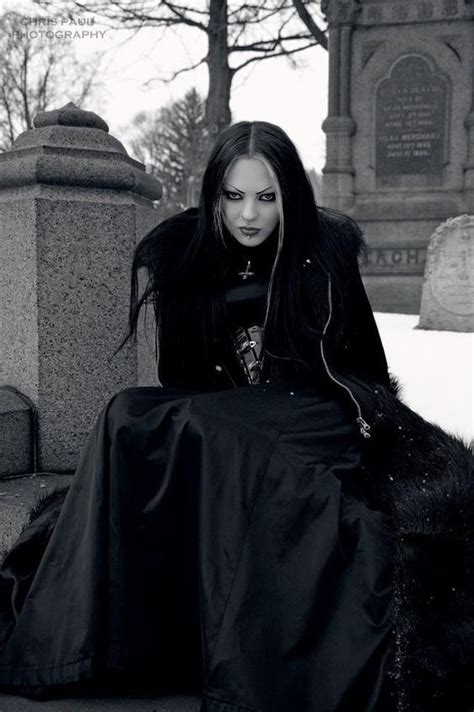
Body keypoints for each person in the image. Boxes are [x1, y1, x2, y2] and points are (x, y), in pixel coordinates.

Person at [0, 121, 472, 712]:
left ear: (289, 199)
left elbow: (367, 371)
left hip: (314, 417)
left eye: (266, 198)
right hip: (227, 419)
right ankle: (79, 648)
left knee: (215, 431)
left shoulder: (324, 252)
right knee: (127, 413)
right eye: (234, 196)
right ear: (214, 196)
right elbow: (184, 382)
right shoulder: (184, 258)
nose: (249, 214)